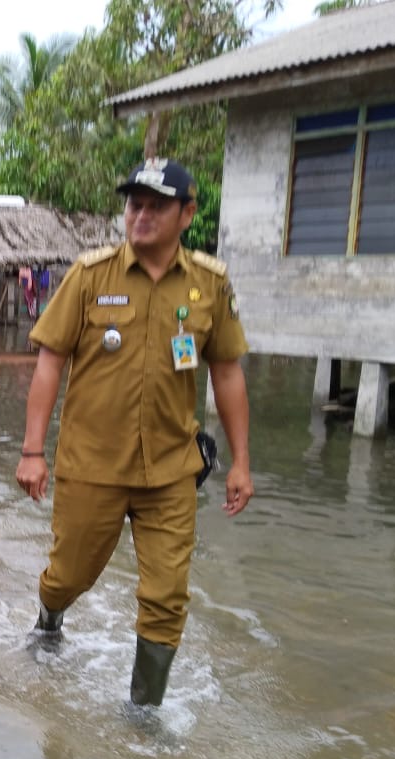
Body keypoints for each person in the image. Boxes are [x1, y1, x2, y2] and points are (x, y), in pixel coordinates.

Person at [15, 158, 254, 708]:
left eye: (156, 206)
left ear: (187, 214)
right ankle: (49, 619)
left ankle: (144, 714)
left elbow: (227, 373)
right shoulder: (90, 275)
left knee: (167, 595)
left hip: (172, 469)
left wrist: (241, 461)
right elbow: (50, 363)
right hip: (91, 465)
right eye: (134, 204)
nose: (140, 215)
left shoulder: (209, 285)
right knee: (69, 575)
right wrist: (32, 450)